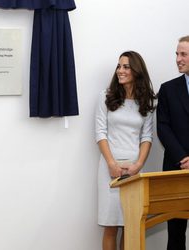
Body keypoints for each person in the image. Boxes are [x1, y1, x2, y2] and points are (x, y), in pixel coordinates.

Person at [95, 51, 156, 250]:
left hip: (134, 170)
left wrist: (138, 165)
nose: (120, 71)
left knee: (130, 225)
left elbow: (147, 137)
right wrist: (112, 164)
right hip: (109, 168)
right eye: (119, 66)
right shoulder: (106, 96)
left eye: (126, 67)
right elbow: (100, 133)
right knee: (111, 226)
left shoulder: (147, 101)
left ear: (136, 71)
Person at [157, 35, 189, 250]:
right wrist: (183, 158)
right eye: (177, 54)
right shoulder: (168, 89)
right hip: (175, 168)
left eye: (183, 54)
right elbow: (163, 127)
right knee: (176, 232)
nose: (178, 58)